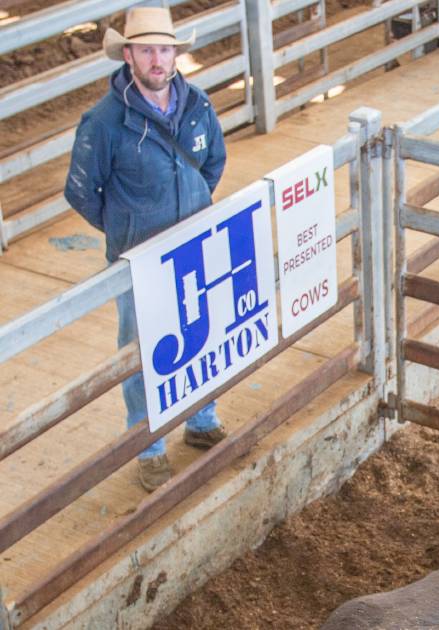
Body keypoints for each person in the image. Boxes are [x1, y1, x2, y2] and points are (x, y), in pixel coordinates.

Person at [64, 7, 229, 492]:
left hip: (195, 245)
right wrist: (126, 227)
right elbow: (81, 191)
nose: (157, 59)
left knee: (202, 329)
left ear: (175, 53)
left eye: (164, 49)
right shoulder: (104, 122)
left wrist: (193, 206)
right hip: (140, 259)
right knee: (143, 351)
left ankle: (201, 421)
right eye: (146, 50)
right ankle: (149, 445)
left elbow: (214, 161)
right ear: (128, 56)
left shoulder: (198, 104)